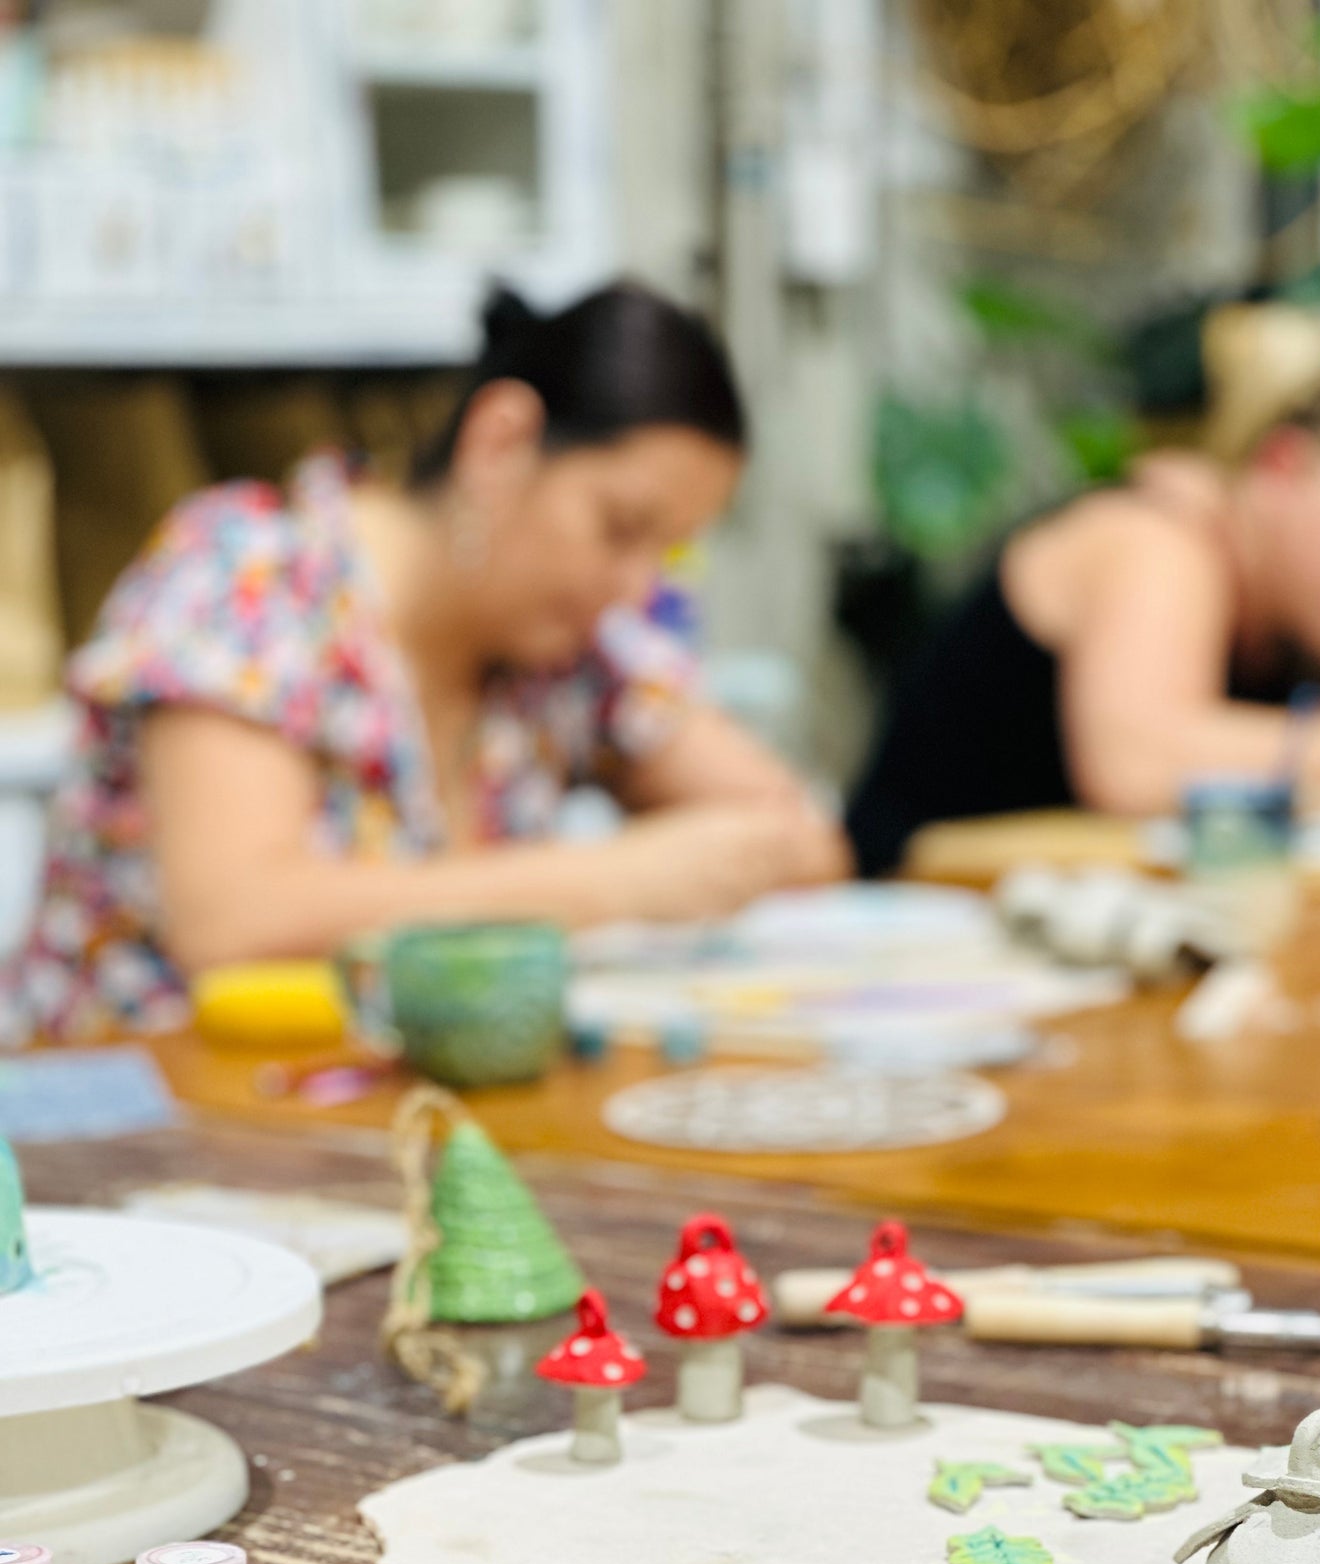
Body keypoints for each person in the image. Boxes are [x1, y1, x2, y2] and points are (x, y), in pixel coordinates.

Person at [6, 281, 848, 1041]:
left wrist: (718, 852)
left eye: (665, 551)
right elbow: (233, 921)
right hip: (123, 1121)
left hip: (363, 1128)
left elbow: (802, 839)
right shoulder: (252, 574)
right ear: (500, 441)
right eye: (620, 527)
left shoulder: (571, 651)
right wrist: (618, 881)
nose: (634, 585)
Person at [847, 310, 1320, 877]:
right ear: (1282, 466)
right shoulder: (1156, 541)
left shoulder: (1309, 617)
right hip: (902, 928)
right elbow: (1139, 767)